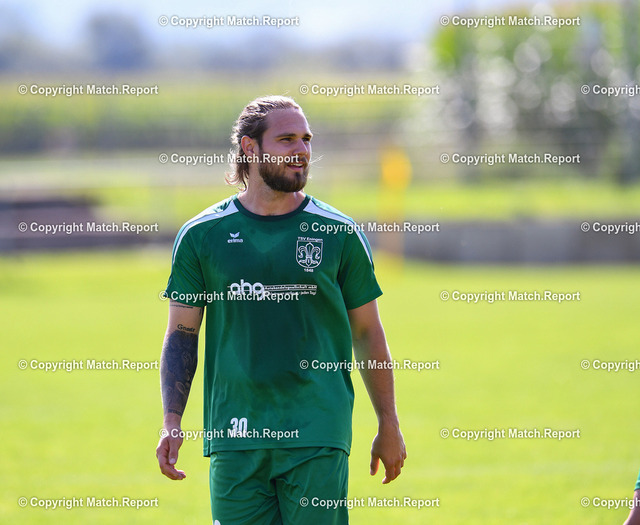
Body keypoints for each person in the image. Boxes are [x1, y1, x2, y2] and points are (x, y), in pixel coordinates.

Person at [155, 95, 406, 524]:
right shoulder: (202, 235)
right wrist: (171, 420)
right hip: (235, 433)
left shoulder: (338, 233)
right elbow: (182, 334)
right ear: (250, 147)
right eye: (287, 139)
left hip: (316, 431)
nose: (302, 149)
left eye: (306, 139)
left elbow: (367, 332)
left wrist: (389, 422)